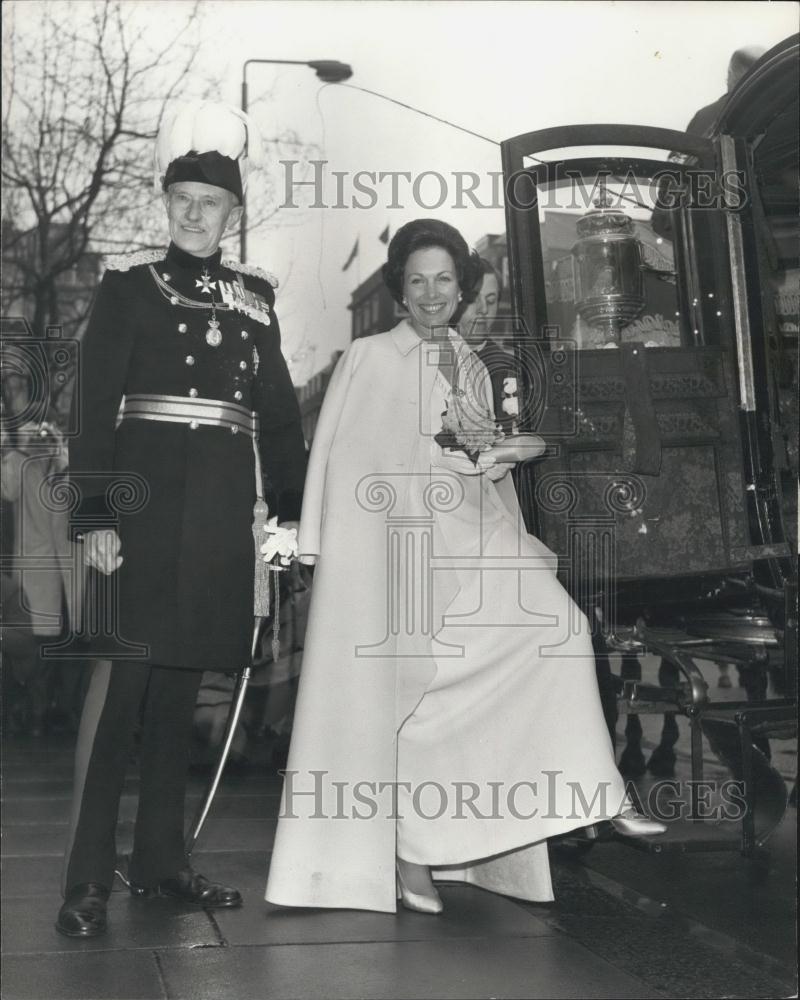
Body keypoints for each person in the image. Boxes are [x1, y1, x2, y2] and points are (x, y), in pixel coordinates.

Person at [265, 219, 664, 917]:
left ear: (462, 288)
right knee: (416, 694)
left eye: (443, 278)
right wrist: (327, 547)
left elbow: (472, 452)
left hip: (471, 538)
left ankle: (596, 789)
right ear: (399, 288)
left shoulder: (470, 363)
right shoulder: (365, 358)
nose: (430, 293)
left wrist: (505, 454)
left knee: (560, 631)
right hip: (397, 553)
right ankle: (410, 850)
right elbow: (348, 465)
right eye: (416, 279)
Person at [56, 101, 307, 938]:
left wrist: (291, 519)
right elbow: (92, 405)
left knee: (179, 700)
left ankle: (162, 866)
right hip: (142, 516)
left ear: (235, 212)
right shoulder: (130, 288)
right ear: (167, 206)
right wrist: (94, 512)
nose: (197, 214)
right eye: (183, 200)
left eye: (212, 202)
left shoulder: (258, 301)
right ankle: (86, 881)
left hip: (219, 526)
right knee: (122, 698)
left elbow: (277, 419)